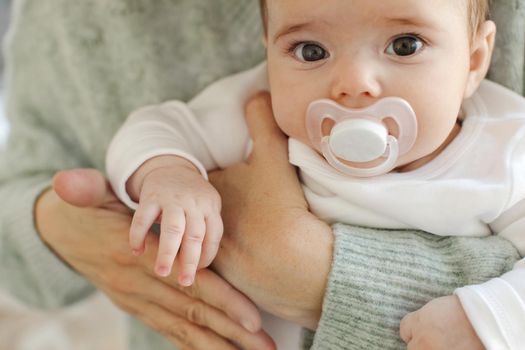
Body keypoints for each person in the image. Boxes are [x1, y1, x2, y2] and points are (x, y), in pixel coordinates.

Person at [0, 1, 523, 349]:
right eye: (311, 51)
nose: (353, 83)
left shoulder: (506, 153)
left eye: (405, 45)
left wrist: (489, 318)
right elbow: (159, 126)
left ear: (475, 59)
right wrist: (170, 175)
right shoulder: (267, 109)